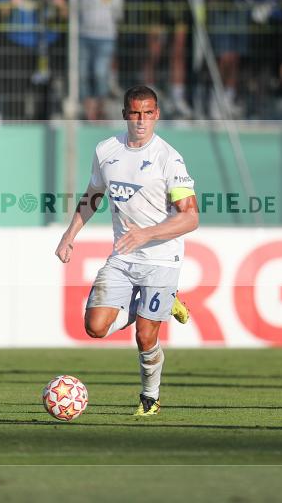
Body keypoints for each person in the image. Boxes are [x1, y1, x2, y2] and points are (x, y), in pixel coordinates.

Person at [55, 85, 195, 416]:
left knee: (145, 337)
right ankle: (157, 304)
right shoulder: (107, 151)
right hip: (123, 255)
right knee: (95, 327)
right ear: (124, 115)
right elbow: (93, 195)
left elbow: (190, 217)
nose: (141, 120)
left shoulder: (168, 159)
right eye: (135, 113)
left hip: (161, 257)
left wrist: (147, 234)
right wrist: (69, 234)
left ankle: (150, 396)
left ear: (157, 115)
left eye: (148, 113)